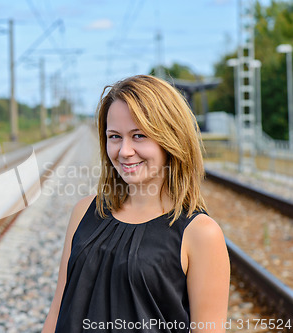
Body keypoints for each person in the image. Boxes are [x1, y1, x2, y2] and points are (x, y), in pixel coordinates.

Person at [42, 75, 230, 333]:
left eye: (139, 135)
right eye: (115, 136)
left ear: (171, 139)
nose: (124, 151)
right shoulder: (84, 212)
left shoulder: (200, 233)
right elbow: (57, 311)